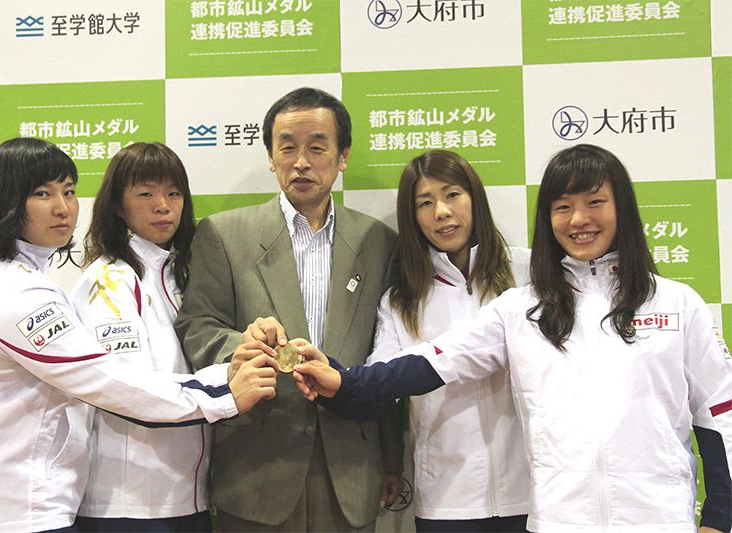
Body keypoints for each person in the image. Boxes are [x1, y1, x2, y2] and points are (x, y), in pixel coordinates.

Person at [293, 144, 732, 533]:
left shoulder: (678, 304)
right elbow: (433, 361)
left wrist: (719, 516)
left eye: (595, 202)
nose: (579, 219)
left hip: (658, 518)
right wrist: (343, 380)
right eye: (563, 207)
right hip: (558, 520)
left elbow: (719, 413)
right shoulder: (521, 306)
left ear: (623, 208)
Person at [0, 138, 278, 533]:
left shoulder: (16, 277)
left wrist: (236, 359)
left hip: (34, 504)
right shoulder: (24, 293)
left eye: (69, 191)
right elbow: (112, 382)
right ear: (5, 202)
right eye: (42, 194)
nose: (63, 207)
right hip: (30, 513)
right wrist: (225, 391)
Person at [174, 87, 403, 531]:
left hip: (352, 466)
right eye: (288, 147)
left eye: (317, 147)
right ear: (270, 156)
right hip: (257, 464)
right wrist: (242, 347)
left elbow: (389, 353)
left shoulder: (379, 242)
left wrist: (392, 457)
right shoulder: (224, 234)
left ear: (342, 156)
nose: (301, 162)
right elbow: (198, 325)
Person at [369, 149, 530, 532]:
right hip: (446, 501)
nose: (441, 212)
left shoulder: (528, 274)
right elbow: (381, 382)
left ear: (475, 198)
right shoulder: (401, 300)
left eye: (452, 194)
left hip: (532, 492)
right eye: (425, 203)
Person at [70, 142, 216, 531]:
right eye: (146, 194)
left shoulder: (182, 274)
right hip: (129, 502)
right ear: (118, 206)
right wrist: (228, 391)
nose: (163, 206)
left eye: (174, 193)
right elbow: (128, 389)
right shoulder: (111, 279)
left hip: (188, 493)